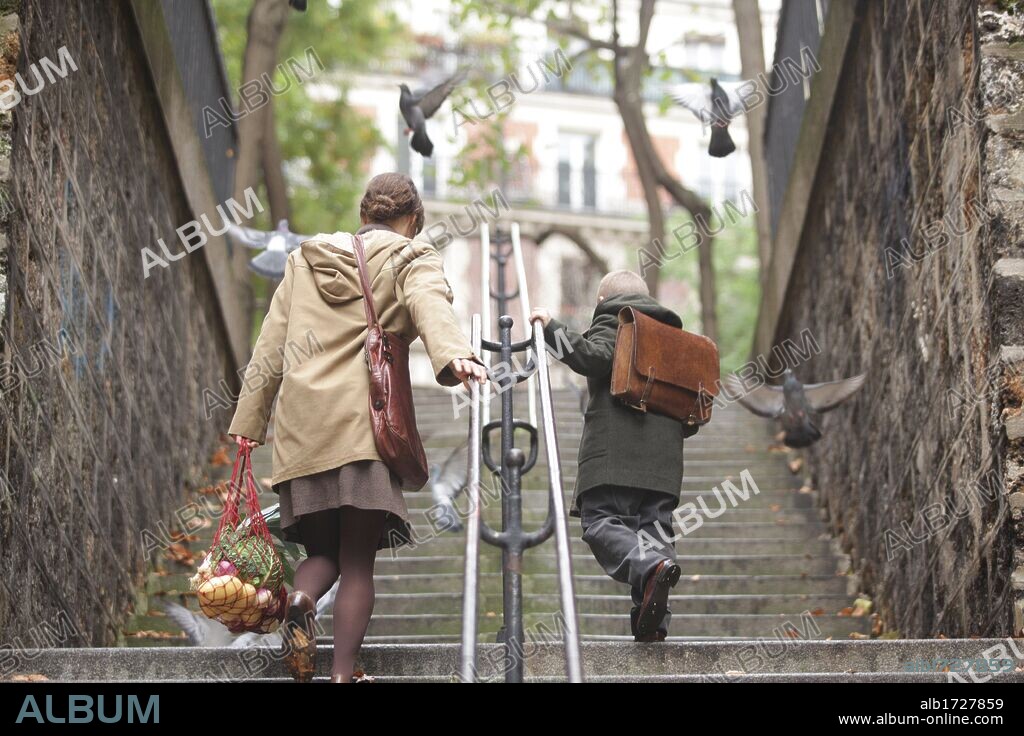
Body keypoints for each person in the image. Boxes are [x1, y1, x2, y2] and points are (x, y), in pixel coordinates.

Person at [228, 173, 487, 682]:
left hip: (303, 432)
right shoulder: (410, 256)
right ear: (411, 219)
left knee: (321, 552)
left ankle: (301, 597)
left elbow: (270, 347)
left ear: (364, 212)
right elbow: (430, 303)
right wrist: (456, 354)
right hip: (367, 430)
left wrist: (249, 420)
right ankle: (343, 675)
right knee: (358, 563)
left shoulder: (303, 260)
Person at [531, 270, 688, 642]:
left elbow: (594, 358)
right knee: (654, 530)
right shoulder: (673, 336)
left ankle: (649, 567)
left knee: (600, 522)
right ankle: (652, 621)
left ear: (602, 301)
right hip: (665, 464)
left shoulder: (618, 318)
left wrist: (551, 327)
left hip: (614, 456)